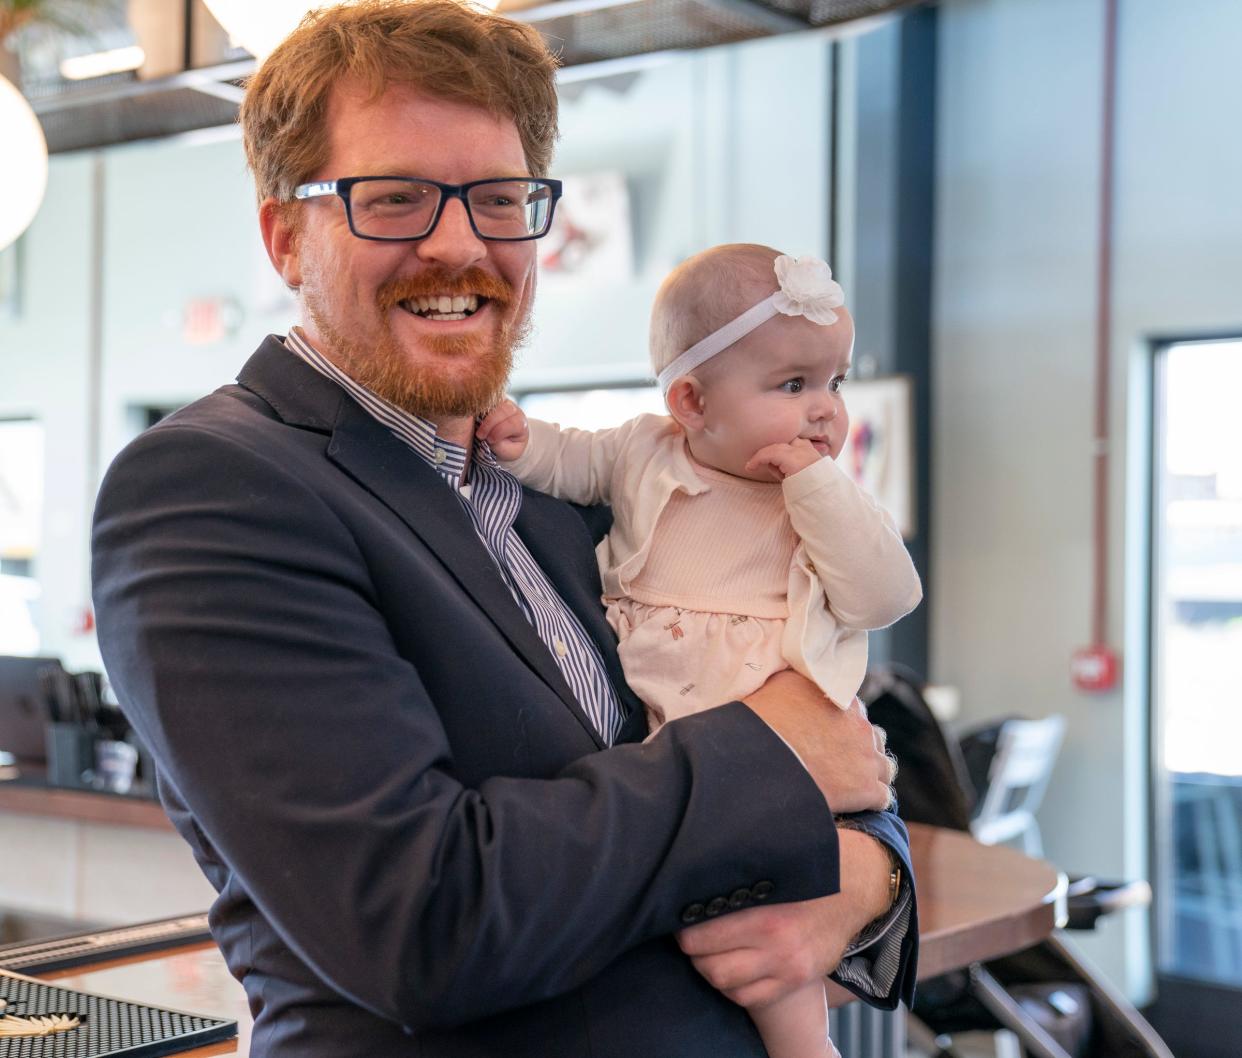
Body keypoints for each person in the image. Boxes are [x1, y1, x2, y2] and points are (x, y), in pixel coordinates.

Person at [89, 3, 918, 1056]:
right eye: (391, 199)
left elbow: (838, 755)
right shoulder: (211, 488)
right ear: (286, 234)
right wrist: (771, 755)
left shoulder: (563, 489)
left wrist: (865, 876)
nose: (456, 242)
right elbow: (423, 920)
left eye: (497, 199)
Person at [479, 244, 922, 1058]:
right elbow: (571, 461)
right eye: (794, 385)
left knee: (768, 911)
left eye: (836, 381)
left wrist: (819, 488)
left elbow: (885, 594)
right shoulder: (643, 452)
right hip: (671, 733)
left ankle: (803, 1045)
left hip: (786, 741)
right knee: (720, 906)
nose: (825, 410)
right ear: (691, 400)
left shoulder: (819, 501)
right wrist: (518, 437)